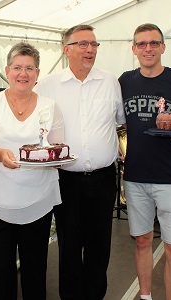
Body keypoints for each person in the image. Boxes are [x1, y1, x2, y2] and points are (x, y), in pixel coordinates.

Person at [34, 24, 126, 299]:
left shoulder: (110, 81)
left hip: (103, 177)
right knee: (69, 244)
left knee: (100, 245)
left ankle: (95, 295)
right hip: (65, 179)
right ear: (67, 49)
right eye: (83, 44)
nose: (90, 50)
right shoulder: (48, 85)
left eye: (94, 45)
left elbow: (121, 124)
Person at [0, 42, 64, 300]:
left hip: (37, 202)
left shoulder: (49, 106)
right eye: (17, 68)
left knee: (36, 270)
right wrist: (0, 154)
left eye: (30, 68)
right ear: (7, 70)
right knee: (1, 272)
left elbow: (57, 150)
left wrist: (53, 158)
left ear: (37, 74)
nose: (23, 74)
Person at [118, 23, 171, 300]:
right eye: (142, 43)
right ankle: (145, 296)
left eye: (154, 43)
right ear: (134, 49)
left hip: (170, 176)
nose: (148, 48)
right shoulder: (124, 81)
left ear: (163, 47)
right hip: (135, 176)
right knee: (142, 241)